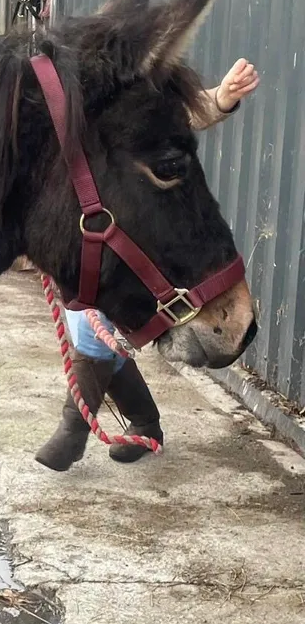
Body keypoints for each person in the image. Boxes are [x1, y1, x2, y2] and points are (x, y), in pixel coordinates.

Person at [35, 57, 260, 472]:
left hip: (118, 243)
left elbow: (175, 119)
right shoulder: (65, 105)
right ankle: (145, 422)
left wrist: (221, 99)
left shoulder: (127, 98)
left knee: (92, 335)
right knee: (98, 336)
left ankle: (73, 430)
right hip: (78, 244)